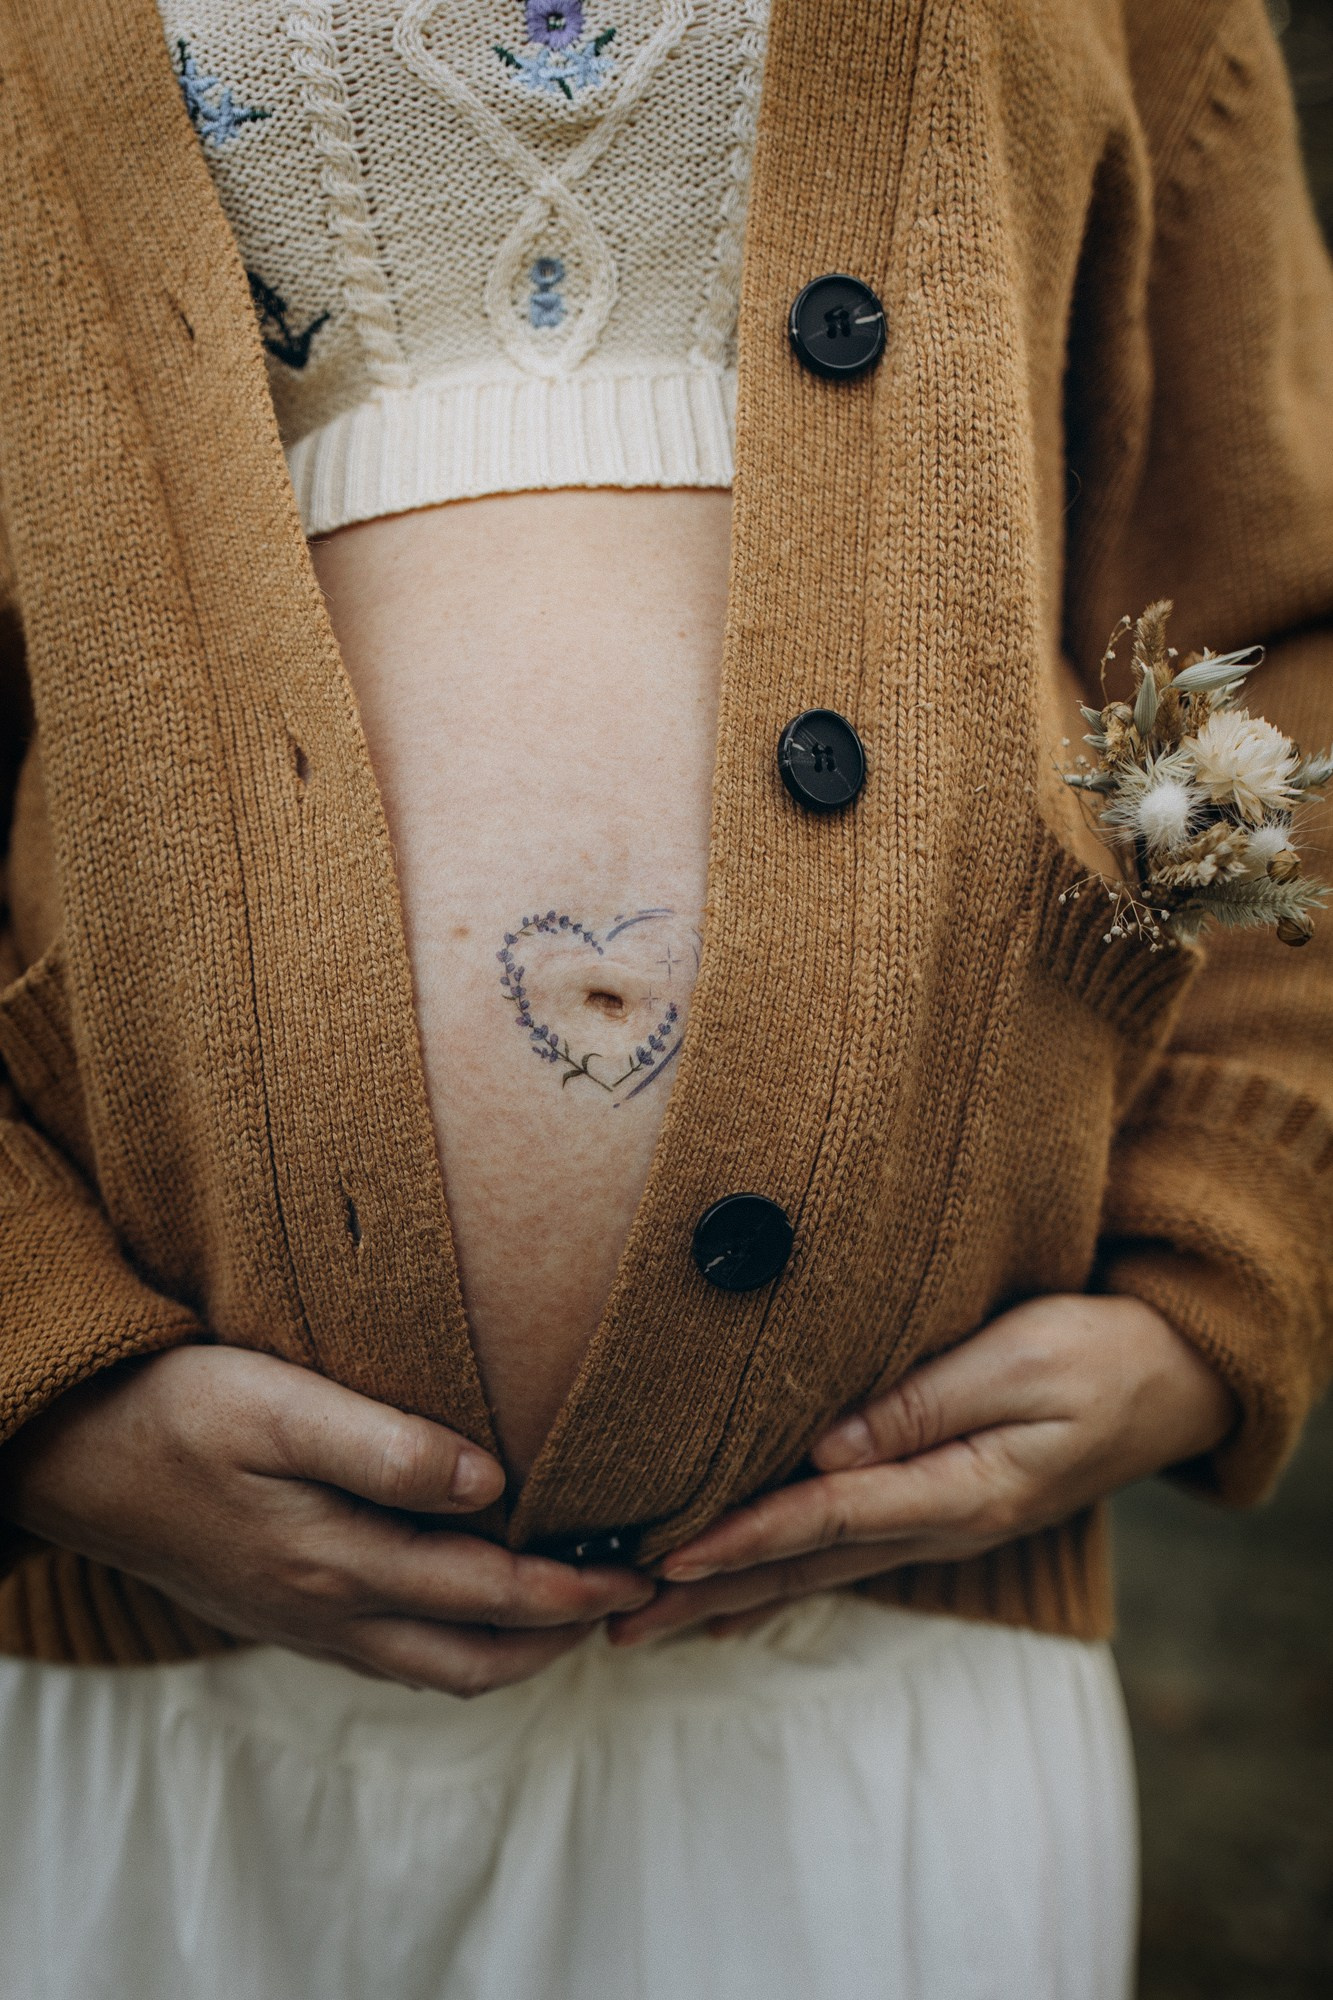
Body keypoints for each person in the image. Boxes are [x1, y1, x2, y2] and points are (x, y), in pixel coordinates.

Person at [0, 0, 1329, 1994]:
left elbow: (1280, 645)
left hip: (873, 1665)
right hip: (155, 1685)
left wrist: (1215, 1272)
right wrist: (33, 1374)